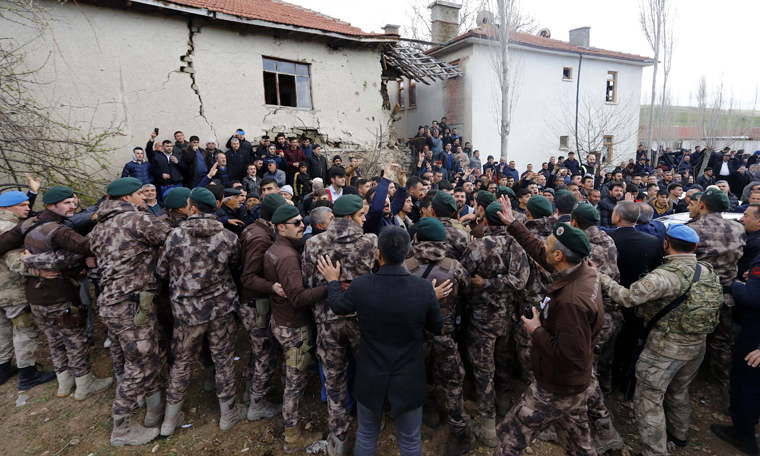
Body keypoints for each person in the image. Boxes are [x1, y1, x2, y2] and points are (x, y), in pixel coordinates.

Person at [316, 226, 446, 456]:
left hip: (371, 372)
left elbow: (338, 306)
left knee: (366, 433)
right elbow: (436, 327)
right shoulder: (423, 289)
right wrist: (429, 301)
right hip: (409, 375)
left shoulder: (362, 285)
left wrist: (333, 281)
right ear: (408, 253)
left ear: (378, 254)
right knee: (410, 439)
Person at [600, 225, 723, 456]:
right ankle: (680, 434)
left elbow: (627, 298)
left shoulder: (664, 276)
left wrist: (602, 278)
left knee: (649, 399)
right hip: (697, 347)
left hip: (664, 350)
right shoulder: (707, 271)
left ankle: (654, 452)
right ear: (695, 247)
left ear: (665, 244)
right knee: (679, 391)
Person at [496, 197, 604, 456]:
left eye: (549, 244)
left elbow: (572, 356)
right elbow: (541, 252)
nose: (544, 244)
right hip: (575, 385)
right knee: (578, 442)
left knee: (510, 436)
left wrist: (537, 331)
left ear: (559, 255)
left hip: (557, 388)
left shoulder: (571, 302)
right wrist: (513, 224)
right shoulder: (583, 269)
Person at [0, 186, 110, 401]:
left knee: (54, 340)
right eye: (67, 203)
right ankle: (84, 384)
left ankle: (64, 384)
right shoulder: (60, 231)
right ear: (52, 206)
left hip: (35, 296)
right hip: (61, 294)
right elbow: (91, 247)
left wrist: (30, 261)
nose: (73, 206)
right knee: (74, 340)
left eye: (73, 201)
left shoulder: (26, 224)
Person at [86, 178, 171, 446]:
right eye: (138, 194)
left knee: (151, 353)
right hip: (130, 305)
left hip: (118, 302)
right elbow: (170, 236)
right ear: (125, 199)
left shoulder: (99, 226)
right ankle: (121, 429)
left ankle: (154, 411)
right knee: (142, 363)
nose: (144, 198)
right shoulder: (135, 220)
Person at [156, 187, 247, 436]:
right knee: (224, 360)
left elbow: (161, 272)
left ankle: (169, 421)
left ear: (192, 208)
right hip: (221, 309)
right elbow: (235, 264)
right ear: (214, 208)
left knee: (181, 362)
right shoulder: (229, 237)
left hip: (187, 312)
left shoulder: (174, 236)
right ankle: (228, 414)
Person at [301, 195, 378, 455]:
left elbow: (309, 284)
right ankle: (370, 426)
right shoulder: (369, 242)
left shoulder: (313, 244)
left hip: (328, 319)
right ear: (350, 217)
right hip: (362, 319)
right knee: (368, 372)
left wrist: (334, 284)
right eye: (361, 215)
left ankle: (339, 437)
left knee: (333, 382)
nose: (365, 219)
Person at [459, 202, 530, 448]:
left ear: (485, 221)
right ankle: (503, 404)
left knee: (483, 369)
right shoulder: (516, 245)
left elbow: (464, 278)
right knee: (503, 362)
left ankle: (488, 427)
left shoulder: (476, 246)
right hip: (507, 318)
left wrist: (485, 284)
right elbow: (519, 282)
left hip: (481, 320)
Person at [404, 218, 475, 455]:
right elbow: (466, 292)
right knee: (454, 383)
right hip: (444, 337)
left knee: (423, 376)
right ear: (442, 240)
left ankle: (431, 412)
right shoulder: (454, 266)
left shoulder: (404, 267)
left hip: (414, 339)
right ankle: (458, 432)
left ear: (416, 239)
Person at [264, 204, 328, 452]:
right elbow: (298, 297)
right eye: (296, 223)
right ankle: (292, 436)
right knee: (295, 383)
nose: (303, 226)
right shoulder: (288, 257)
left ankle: (286, 413)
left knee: (288, 371)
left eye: (302, 221)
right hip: (294, 328)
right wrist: (331, 285)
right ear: (281, 227)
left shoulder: (275, 249)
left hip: (280, 320)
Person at [569, 203, 625, 454]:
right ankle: (607, 397)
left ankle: (604, 427)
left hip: (593, 319)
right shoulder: (609, 241)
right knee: (602, 364)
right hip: (613, 315)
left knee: (584, 370)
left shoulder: (581, 247)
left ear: (574, 221)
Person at [686, 188, 746, 407]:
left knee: (690, 339)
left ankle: (683, 387)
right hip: (725, 295)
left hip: (696, 296)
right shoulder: (739, 228)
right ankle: (728, 396)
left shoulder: (692, 229)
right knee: (721, 344)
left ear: (701, 204)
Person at [0, 190, 57, 390]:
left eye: (27, 204)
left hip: (1, 292)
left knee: (3, 330)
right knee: (24, 330)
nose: (27, 208)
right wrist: (38, 272)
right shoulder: (10, 229)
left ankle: (3, 369)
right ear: (6, 208)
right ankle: (28, 374)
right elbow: (15, 260)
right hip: (13, 290)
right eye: (22, 205)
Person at [239, 194, 288, 420]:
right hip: (255, 304)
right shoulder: (261, 238)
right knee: (266, 355)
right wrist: (272, 286)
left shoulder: (253, 229)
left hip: (252, 303)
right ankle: (258, 405)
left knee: (258, 352)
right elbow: (248, 277)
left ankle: (250, 393)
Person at [711, 249, 760, 456]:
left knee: (746, 384)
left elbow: (752, 298)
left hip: (755, 339)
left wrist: (738, 285)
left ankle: (744, 436)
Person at [738, 203, 760, 278]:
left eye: (746, 216)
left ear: (759, 222)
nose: (741, 219)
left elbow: (741, 271)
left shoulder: (755, 244)